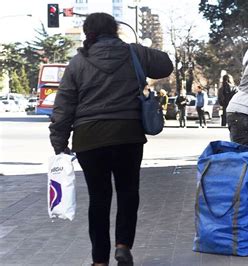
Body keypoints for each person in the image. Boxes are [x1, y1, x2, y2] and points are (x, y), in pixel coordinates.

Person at [48, 13, 173, 266]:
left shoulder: (77, 63)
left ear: (87, 33)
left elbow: (63, 107)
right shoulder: (134, 52)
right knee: (128, 192)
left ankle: (99, 261)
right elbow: (166, 65)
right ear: (115, 30)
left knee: (99, 198)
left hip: (89, 139)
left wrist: (59, 143)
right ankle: (123, 245)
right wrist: (141, 47)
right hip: (128, 135)